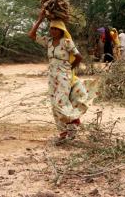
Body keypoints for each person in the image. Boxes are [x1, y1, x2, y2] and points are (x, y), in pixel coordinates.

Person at [28, 10, 89, 145]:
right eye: (52, 29)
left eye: (56, 29)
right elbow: (31, 35)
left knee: (60, 103)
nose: (53, 31)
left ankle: (72, 128)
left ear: (62, 30)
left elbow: (79, 57)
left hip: (63, 76)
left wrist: (69, 69)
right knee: (54, 104)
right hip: (52, 77)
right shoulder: (48, 41)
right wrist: (39, 19)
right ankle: (63, 132)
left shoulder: (66, 42)